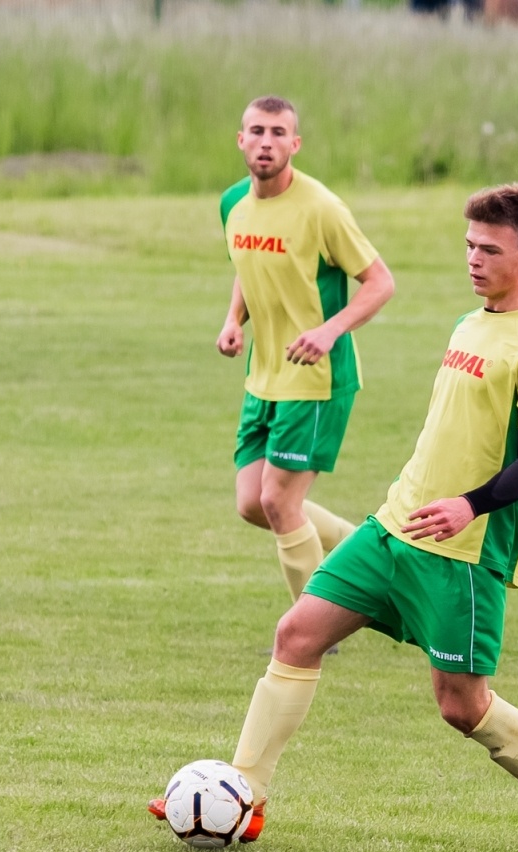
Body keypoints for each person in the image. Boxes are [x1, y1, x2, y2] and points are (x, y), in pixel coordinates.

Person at [156, 184, 518, 852]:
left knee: (461, 705)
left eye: (490, 249)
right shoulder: (470, 323)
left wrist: (467, 505)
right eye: (469, 246)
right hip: (393, 527)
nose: (474, 259)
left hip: (464, 553)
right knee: (297, 633)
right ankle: (243, 796)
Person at [217, 96, 396, 605]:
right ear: (241, 140)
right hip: (264, 376)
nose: (266, 142)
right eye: (256, 131)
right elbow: (247, 265)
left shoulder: (321, 209)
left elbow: (380, 283)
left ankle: (311, 630)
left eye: (278, 133)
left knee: (279, 500)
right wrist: (234, 320)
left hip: (317, 381)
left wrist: (329, 331)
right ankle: (368, 554)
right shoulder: (233, 204)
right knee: (254, 503)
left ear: (295, 144)